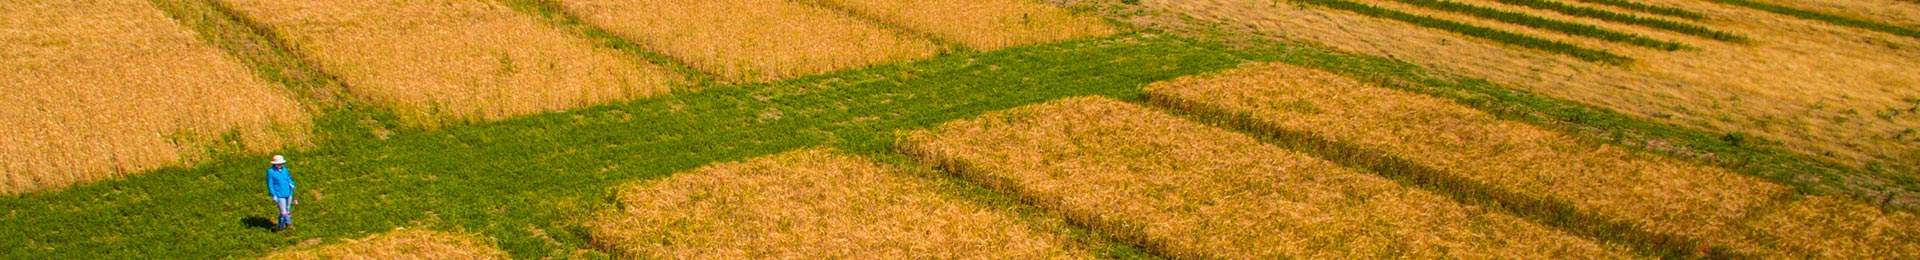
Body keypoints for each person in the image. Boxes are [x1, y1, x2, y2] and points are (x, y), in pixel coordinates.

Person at [266, 155, 296, 231]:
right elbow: (270, 184)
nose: (280, 165)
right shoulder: (271, 172)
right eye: (279, 164)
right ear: (274, 164)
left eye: (281, 163)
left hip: (288, 192)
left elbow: (288, 178)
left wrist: (291, 183)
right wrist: (273, 194)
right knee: (283, 212)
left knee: (287, 210)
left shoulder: (285, 170)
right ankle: (283, 225)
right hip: (279, 194)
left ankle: (286, 224)